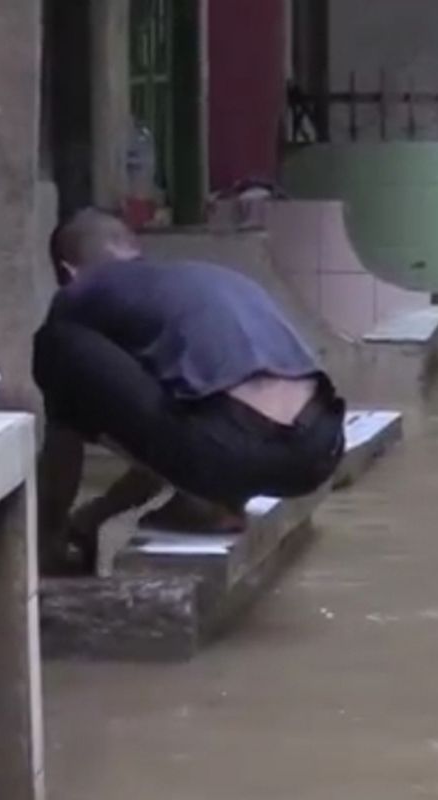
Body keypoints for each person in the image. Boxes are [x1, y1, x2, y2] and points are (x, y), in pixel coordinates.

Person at [35, 208, 346, 576]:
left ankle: (48, 541)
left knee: (55, 344)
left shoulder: (79, 295)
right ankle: (205, 499)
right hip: (320, 447)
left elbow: (142, 434)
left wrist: (50, 525)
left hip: (231, 450)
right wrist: (98, 513)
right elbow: (160, 422)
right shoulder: (201, 279)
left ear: (69, 271)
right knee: (193, 403)